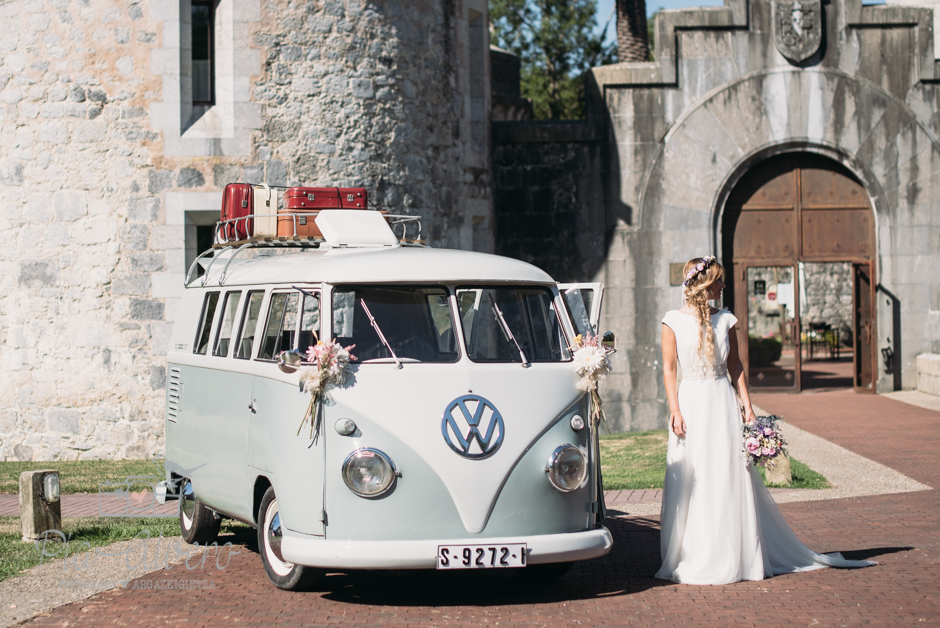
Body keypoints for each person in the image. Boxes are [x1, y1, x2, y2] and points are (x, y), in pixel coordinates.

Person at [655, 255, 874, 585]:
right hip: (690, 404)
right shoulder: (672, 320)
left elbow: (736, 366)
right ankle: (691, 555)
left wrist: (748, 407)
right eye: (719, 281)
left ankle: (733, 555)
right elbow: (670, 369)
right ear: (703, 284)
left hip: (720, 402)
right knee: (691, 475)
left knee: (726, 476)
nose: (724, 286)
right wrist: (674, 409)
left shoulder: (726, 319)